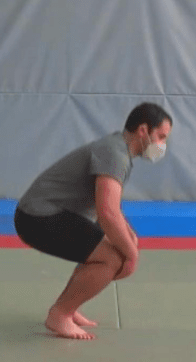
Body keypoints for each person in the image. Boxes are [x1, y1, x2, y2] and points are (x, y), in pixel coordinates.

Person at [14, 102, 173, 339]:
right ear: (143, 130)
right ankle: (60, 314)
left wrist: (129, 236)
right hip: (37, 217)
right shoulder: (115, 154)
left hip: (48, 214)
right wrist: (132, 255)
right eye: (160, 137)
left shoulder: (118, 149)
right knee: (111, 258)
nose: (162, 145)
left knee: (110, 248)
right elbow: (107, 213)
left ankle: (69, 307)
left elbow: (110, 207)